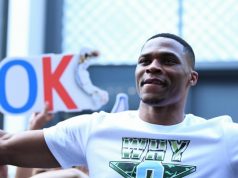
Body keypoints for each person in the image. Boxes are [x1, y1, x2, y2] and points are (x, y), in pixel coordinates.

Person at [1, 33, 238, 178]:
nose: (152, 66)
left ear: (192, 77)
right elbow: (7, 146)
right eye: (144, 60)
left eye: (168, 60)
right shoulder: (94, 129)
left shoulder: (224, 137)